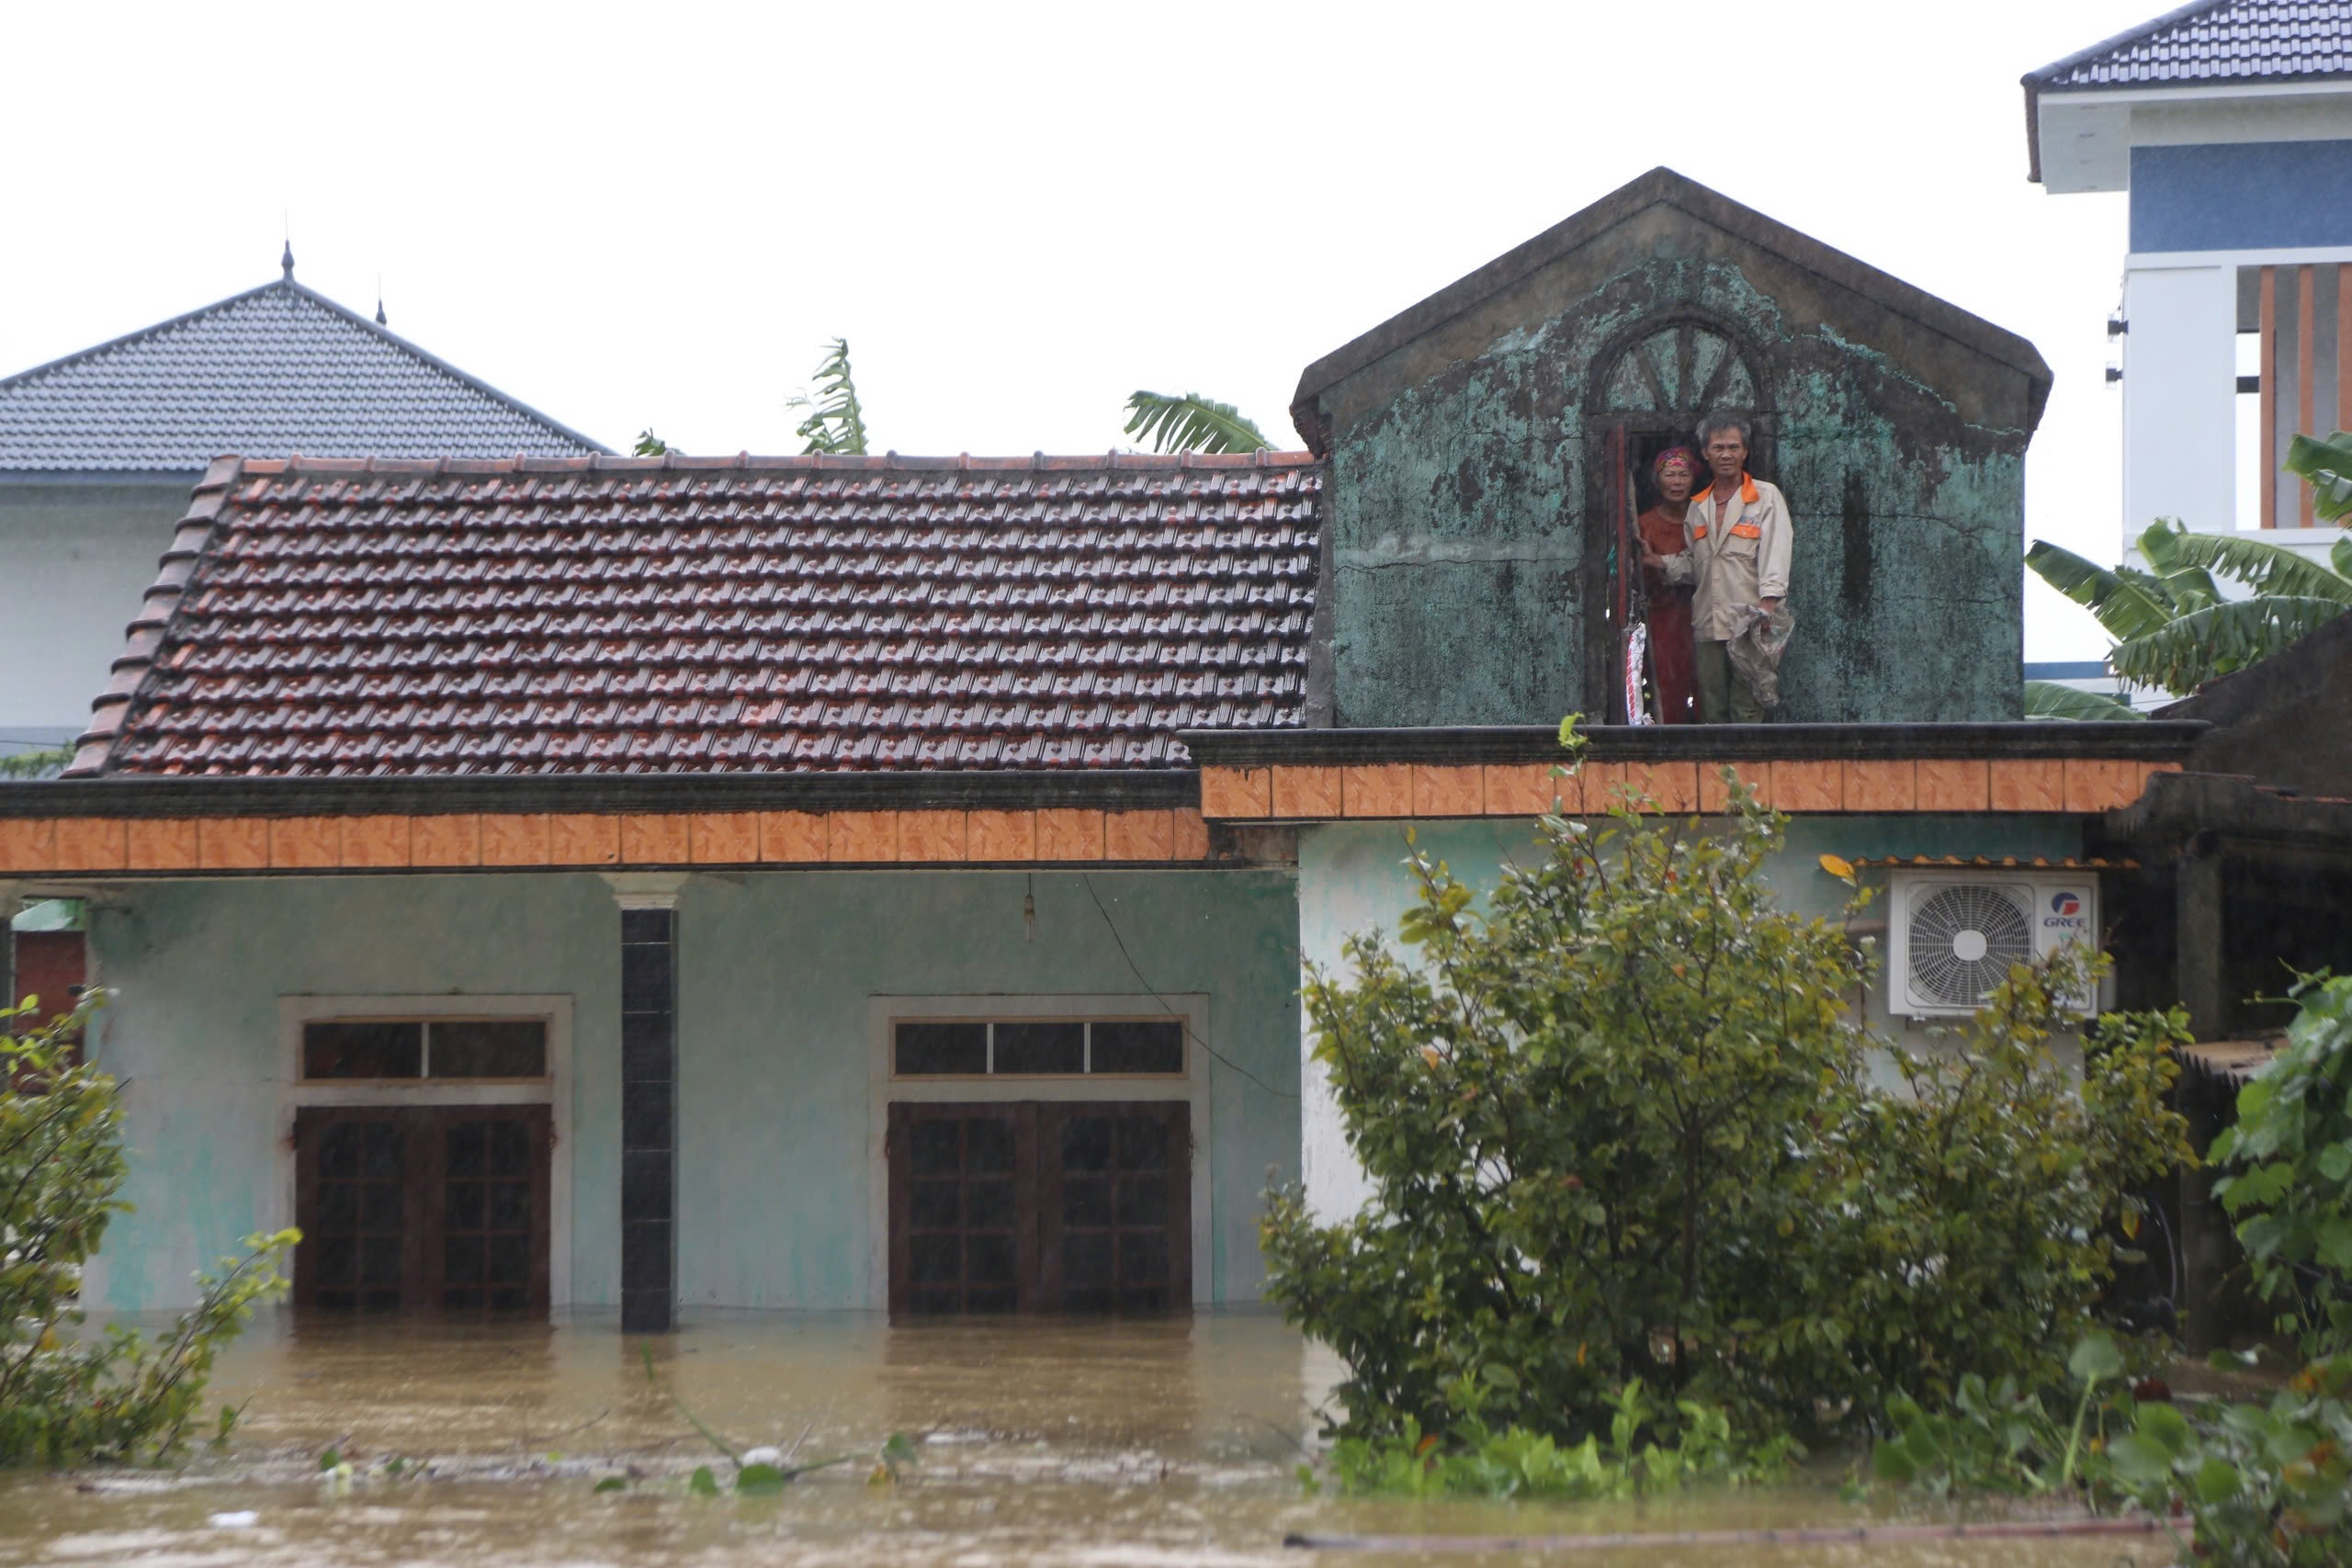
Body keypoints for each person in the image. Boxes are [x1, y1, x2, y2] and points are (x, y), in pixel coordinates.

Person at [1641, 412, 1791, 722]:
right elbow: (1696, 563)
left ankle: (1744, 772)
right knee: (1712, 709)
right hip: (1708, 622)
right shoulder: (1699, 506)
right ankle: (1718, 772)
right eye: (1719, 448)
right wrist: (1659, 562)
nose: (1726, 455)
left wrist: (1769, 606)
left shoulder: (1765, 498)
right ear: (1706, 453)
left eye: (1734, 448)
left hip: (1749, 622)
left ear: (1745, 452)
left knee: (1747, 707)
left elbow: (1777, 553)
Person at [1636, 446, 1700, 724]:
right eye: (1670, 474)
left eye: (1683, 474)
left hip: (1701, 613)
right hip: (1662, 618)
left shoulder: (1704, 518)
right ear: (1657, 480)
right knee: (1667, 688)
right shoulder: (1645, 525)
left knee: (1706, 687)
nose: (1676, 482)